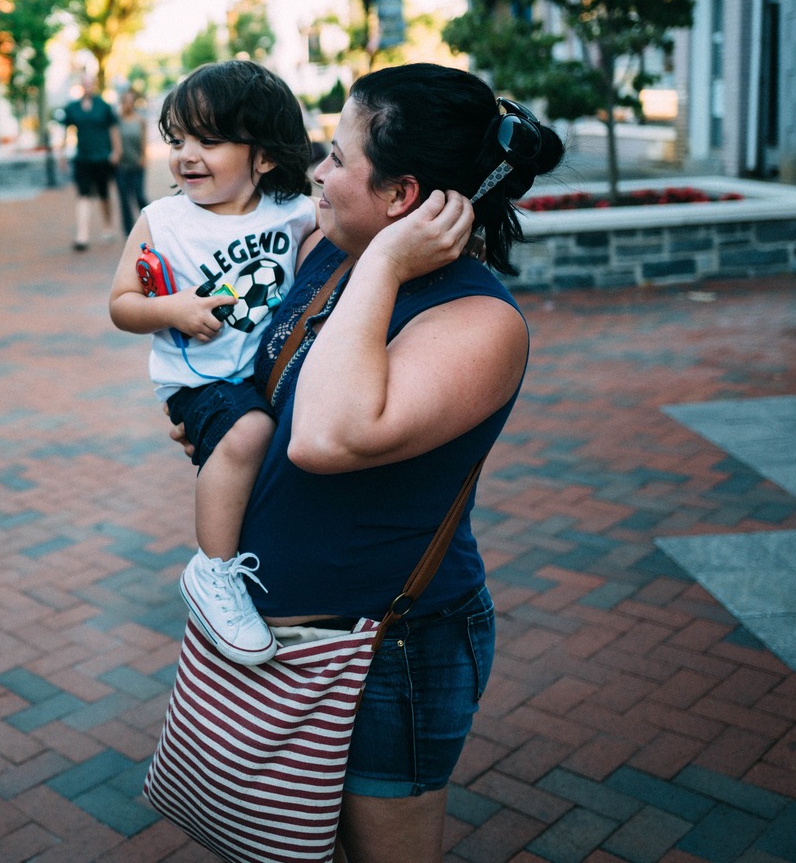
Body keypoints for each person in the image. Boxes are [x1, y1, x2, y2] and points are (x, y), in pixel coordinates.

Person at [175, 63, 564, 861]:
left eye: (340, 157)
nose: (316, 169)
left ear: (402, 197)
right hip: (288, 638)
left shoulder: (477, 317)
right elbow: (274, 402)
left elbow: (326, 437)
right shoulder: (330, 250)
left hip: (390, 651)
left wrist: (386, 264)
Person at [109, 60, 316, 664]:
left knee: (283, 442)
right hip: (198, 382)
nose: (185, 155)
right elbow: (122, 304)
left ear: (266, 156)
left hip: (262, 376)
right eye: (177, 140)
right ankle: (215, 570)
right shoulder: (162, 220)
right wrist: (171, 308)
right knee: (250, 431)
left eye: (209, 139)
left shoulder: (294, 212)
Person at [59, 74, 121, 249]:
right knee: (83, 195)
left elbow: (113, 129)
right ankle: (82, 236)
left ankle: (108, 226)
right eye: (84, 83)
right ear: (81, 85)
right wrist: (62, 154)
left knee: (104, 194)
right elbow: (66, 130)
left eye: (90, 83)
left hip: (102, 158)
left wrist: (116, 151)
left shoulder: (104, 106)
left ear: (94, 85)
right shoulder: (73, 108)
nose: (87, 86)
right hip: (83, 159)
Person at [114, 87, 150, 229]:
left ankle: (150, 221)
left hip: (137, 164)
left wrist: (144, 157)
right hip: (121, 166)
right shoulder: (117, 121)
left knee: (140, 196)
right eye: (125, 101)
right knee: (124, 199)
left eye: (130, 101)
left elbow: (144, 141)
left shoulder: (140, 120)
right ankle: (128, 230)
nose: (128, 104)